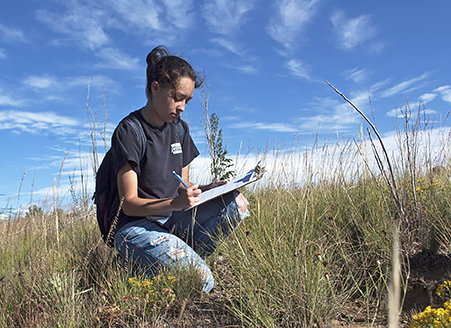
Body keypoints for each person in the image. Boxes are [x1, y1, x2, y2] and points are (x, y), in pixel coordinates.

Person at [106, 45, 249, 293]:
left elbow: (184, 186)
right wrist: (175, 203)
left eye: (187, 100)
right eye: (177, 97)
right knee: (203, 281)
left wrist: (208, 188)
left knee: (236, 203)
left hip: (172, 219)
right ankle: (145, 266)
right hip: (135, 227)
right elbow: (128, 203)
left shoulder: (180, 130)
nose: (182, 106)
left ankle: (167, 263)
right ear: (155, 88)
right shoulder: (130, 131)